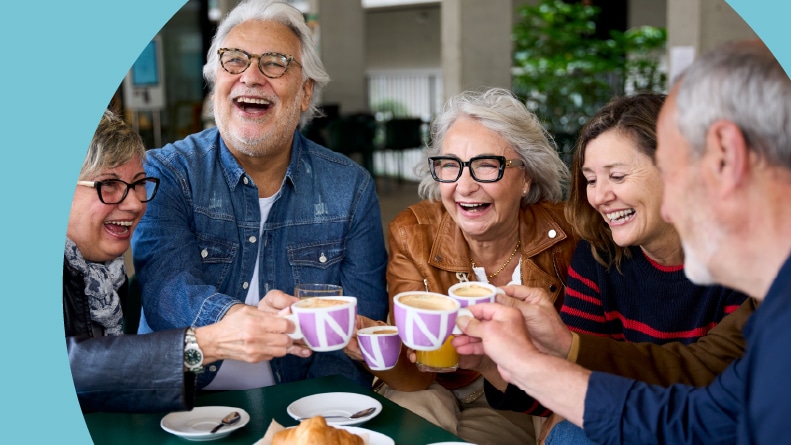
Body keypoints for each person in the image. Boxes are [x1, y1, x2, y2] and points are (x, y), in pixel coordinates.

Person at [455, 39, 791, 444]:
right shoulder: (771, 301)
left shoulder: (759, 290)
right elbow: (698, 413)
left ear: (727, 157)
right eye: (592, 180)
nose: (671, 208)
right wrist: (527, 359)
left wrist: (535, 361)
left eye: (673, 168)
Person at [131, 0, 388, 391]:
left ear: (304, 93)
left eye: (275, 62)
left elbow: (355, 330)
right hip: (182, 400)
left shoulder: (350, 187)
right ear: (215, 79)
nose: (251, 76)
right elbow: (165, 291)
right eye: (234, 60)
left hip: (301, 401)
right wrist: (241, 318)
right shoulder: (168, 172)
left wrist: (312, 413)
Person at [485, 93, 748, 443]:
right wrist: (492, 359)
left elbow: (714, 384)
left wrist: (564, 349)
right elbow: (572, 381)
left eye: (618, 176)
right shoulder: (598, 254)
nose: (599, 196)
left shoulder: (747, 259)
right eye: (591, 179)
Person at [343, 87, 578, 444]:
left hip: (519, 395)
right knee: (411, 422)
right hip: (430, 385)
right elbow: (416, 375)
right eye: (450, 166)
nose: (464, 186)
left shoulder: (569, 238)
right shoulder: (412, 233)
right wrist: (376, 350)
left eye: (486, 166)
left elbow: (575, 369)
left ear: (526, 176)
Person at [66, 110, 300, 413]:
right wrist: (204, 344)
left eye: (139, 183)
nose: (136, 202)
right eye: (108, 184)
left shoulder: (104, 273)